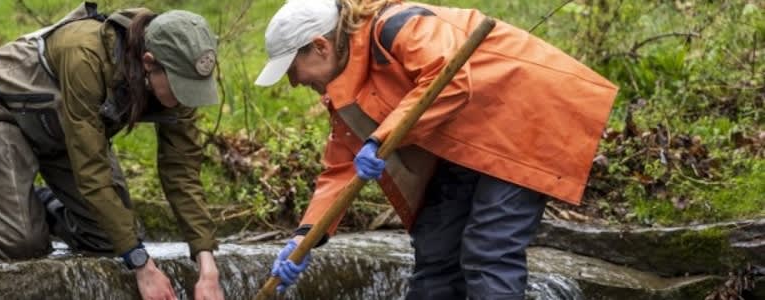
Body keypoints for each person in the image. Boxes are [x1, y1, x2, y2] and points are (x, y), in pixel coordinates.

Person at [254, 0, 617, 298]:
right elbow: (339, 168)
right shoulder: (342, 87)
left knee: (488, 248)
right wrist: (305, 237)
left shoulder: (401, 26)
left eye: (293, 69)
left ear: (320, 45)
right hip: (469, 139)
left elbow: (451, 82)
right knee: (436, 247)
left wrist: (380, 139)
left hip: (529, 117)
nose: (294, 81)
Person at [0, 2, 225, 299]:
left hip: (61, 128)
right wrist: (143, 267)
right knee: (22, 243)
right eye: (181, 86)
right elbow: (92, 171)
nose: (186, 97)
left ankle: (30, 207)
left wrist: (206, 262)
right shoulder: (86, 56)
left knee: (113, 240)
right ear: (149, 62)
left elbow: (182, 174)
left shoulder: (180, 82)